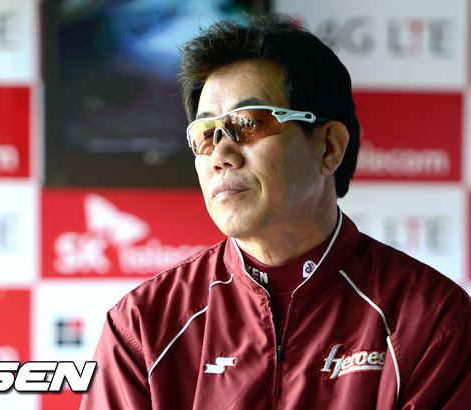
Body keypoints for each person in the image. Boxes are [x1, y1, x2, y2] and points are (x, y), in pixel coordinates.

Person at [80, 13, 471, 409]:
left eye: (249, 123)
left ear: (329, 147)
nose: (221, 154)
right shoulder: (141, 327)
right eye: (206, 134)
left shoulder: (432, 320)